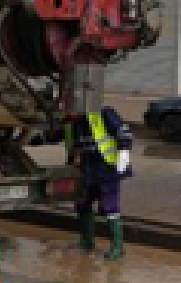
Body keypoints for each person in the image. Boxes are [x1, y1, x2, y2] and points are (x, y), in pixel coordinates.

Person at [65, 106, 133, 260]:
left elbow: (124, 131)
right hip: (88, 171)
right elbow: (56, 137)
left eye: (72, 110)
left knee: (110, 207)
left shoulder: (103, 114)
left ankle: (117, 247)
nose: (70, 114)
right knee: (82, 203)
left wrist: (124, 150)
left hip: (107, 170)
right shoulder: (72, 123)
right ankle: (87, 242)